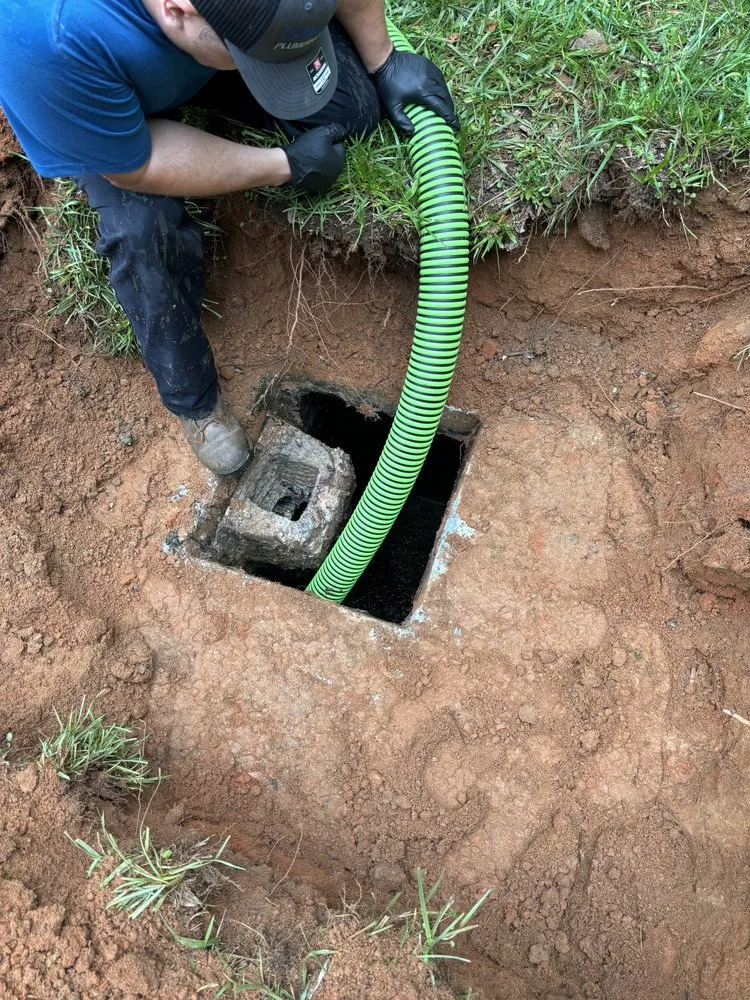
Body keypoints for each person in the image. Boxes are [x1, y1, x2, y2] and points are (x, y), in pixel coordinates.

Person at [0, 0, 459, 474]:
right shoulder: (47, 39)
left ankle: (244, 63)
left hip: (202, 48)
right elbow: (137, 168)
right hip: (109, 108)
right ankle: (194, 403)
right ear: (177, 10)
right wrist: (284, 165)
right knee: (142, 237)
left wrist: (384, 58)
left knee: (353, 111)